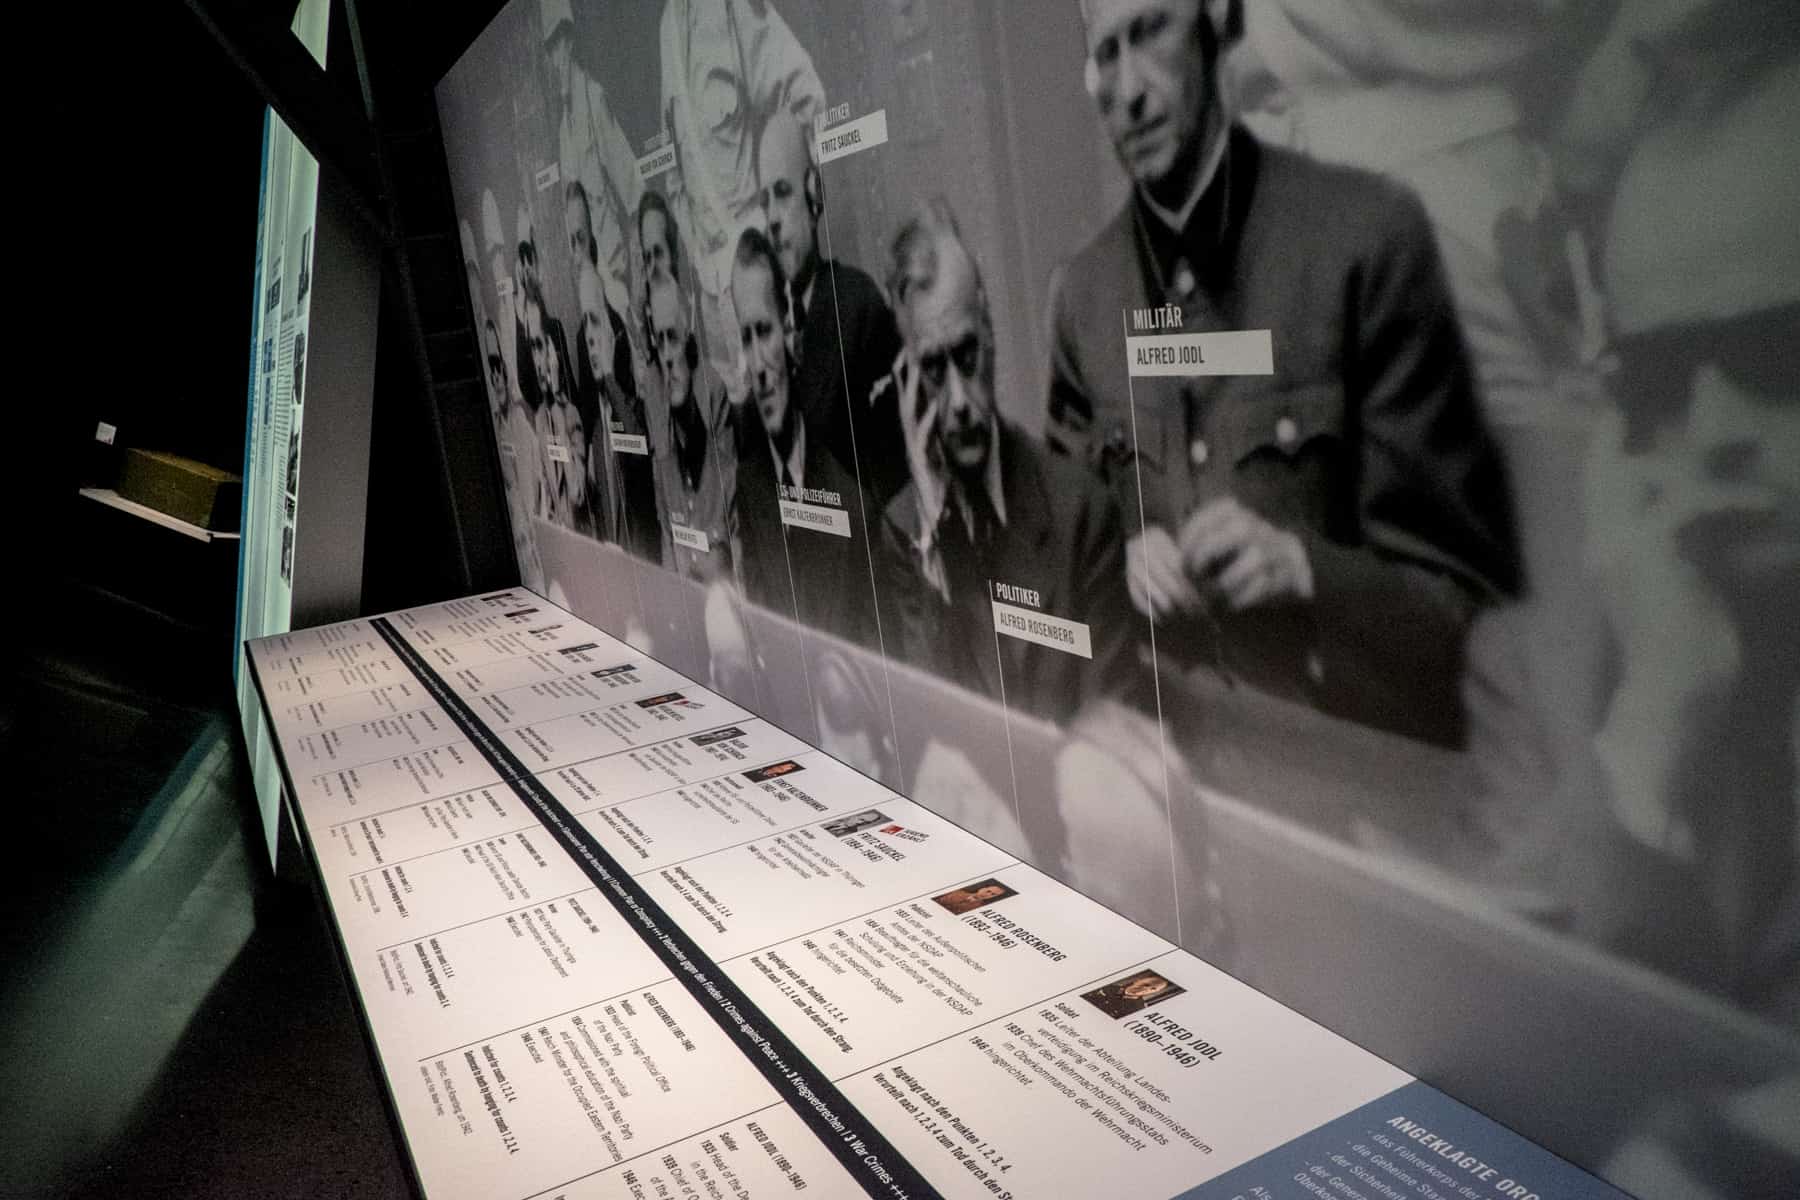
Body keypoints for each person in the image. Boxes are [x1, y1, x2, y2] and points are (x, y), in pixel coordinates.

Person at [1050, 0, 1520, 747]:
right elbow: (1062, 561)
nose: (1131, 88)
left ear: (1216, 26)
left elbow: (1470, 607)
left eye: (1151, 32)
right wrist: (1121, 559)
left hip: (1349, 793)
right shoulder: (1083, 298)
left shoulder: (1365, 244)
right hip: (1170, 788)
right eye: (1106, 54)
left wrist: (1304, 569)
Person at [1570, 26, 1799, 1018]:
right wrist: (1655, 728)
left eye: (1777, 352)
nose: (1709, 434)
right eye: (1658, 379)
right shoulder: (1653, 642)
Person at [880, 200, 1133, 725]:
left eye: (967, 354)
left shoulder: (1081, 515)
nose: (958, 401)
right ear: (909, 381)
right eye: (932, 368)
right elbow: (926, 734)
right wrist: (934, 531)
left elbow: (1110, 758)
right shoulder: (906, 535)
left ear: (991, 335)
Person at [659, 0, 825, 397]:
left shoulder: (731, 8)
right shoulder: (667, 25)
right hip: (715, 299)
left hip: (759, 276)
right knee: (750, 439)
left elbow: (805, 94)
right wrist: (698, 254)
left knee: (795, 417)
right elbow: (673, 169)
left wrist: (785, 216)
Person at [728, 226, 874, 648]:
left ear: (790, 329)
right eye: (745, 338)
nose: (758, 364)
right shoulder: (750, 486)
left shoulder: (853, 499)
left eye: (764, 331)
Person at [756, 107, 907, 508]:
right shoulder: (764, 329)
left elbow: (897, 479)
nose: (771, 217)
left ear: (814, 195)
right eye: (764, 201)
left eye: (783, 193)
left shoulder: (858, 305)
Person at [542, 0, 644, 326]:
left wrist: (638, 268)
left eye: (558, 44)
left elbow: (631, 185)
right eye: (549, 50)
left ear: (569, 42)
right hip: (595, 280)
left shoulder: (594, 97)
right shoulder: (563, 129)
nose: (555, 59)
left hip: (619, 268)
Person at [646, 268, 737, 581]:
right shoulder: (658, 414)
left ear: (689, 337)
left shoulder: (715, 399)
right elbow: (666, 537)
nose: (667, 357)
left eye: (673, 337)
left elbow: (729, 535)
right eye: (659, 342)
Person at [577, 265, 661, 561]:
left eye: (596, 321)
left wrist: (611, 378)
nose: (589, 337)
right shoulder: (597, 431)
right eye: (584, 323)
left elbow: (638, 447)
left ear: (614, 333)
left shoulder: (636, 408)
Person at [522, 282, 589, 531]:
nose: (537, 360)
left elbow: (576, 493)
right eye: (531, 348)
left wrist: (558, 405)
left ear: (552, 351)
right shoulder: (537, 421)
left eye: (540, 346)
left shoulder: (570, 415)